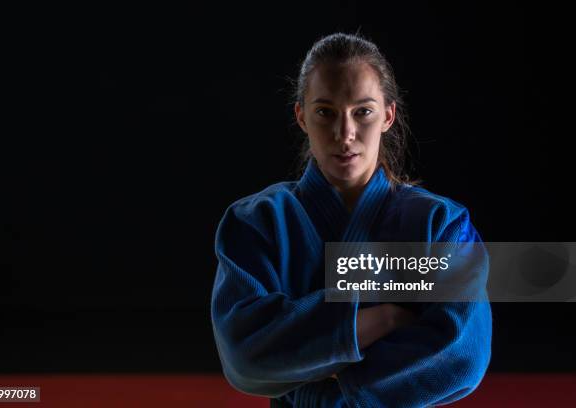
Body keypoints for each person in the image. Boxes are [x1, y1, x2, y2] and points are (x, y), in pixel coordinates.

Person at [210, 32, 492, 408]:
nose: (345, 134)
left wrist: (321, 370)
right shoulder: (256, 221)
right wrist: (385, 319)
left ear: (388, 115)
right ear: (301, 116)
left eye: (363, 111)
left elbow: (462, 355)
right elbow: (243, 351)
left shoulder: (440, 224)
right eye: (325, 112)